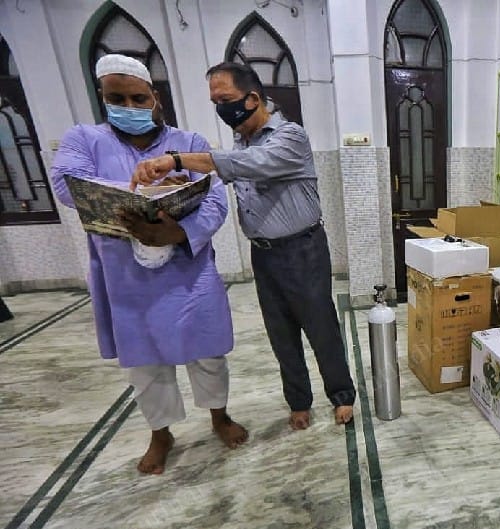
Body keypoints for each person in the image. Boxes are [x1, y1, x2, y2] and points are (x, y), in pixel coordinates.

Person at [51, 54, 248, 475]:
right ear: (102, 98)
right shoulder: (84, 139)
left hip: (187, 270)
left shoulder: (188, 142)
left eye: (138, 99)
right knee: (145, 363)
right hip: (126, 275)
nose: (129, 106)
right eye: (117, 99)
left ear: (154, 98)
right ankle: (161, 433)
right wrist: (145, 189)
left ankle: (219, 416)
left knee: (208, 353)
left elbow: (215, 200)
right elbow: (68, 187)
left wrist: (178, 233)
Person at [130, 62, 355, 429]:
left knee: (321, 328)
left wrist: (177, 158)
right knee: (280, 334)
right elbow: (226, 175)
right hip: (263, 253)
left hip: (303, 250)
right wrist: (176, 187)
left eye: (226, 100)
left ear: (252, 99)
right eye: (215, 102)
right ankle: (299, 401)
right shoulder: (240, 142)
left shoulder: (290, 135)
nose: (221, 109)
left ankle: (342, 396)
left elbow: (252, 164)